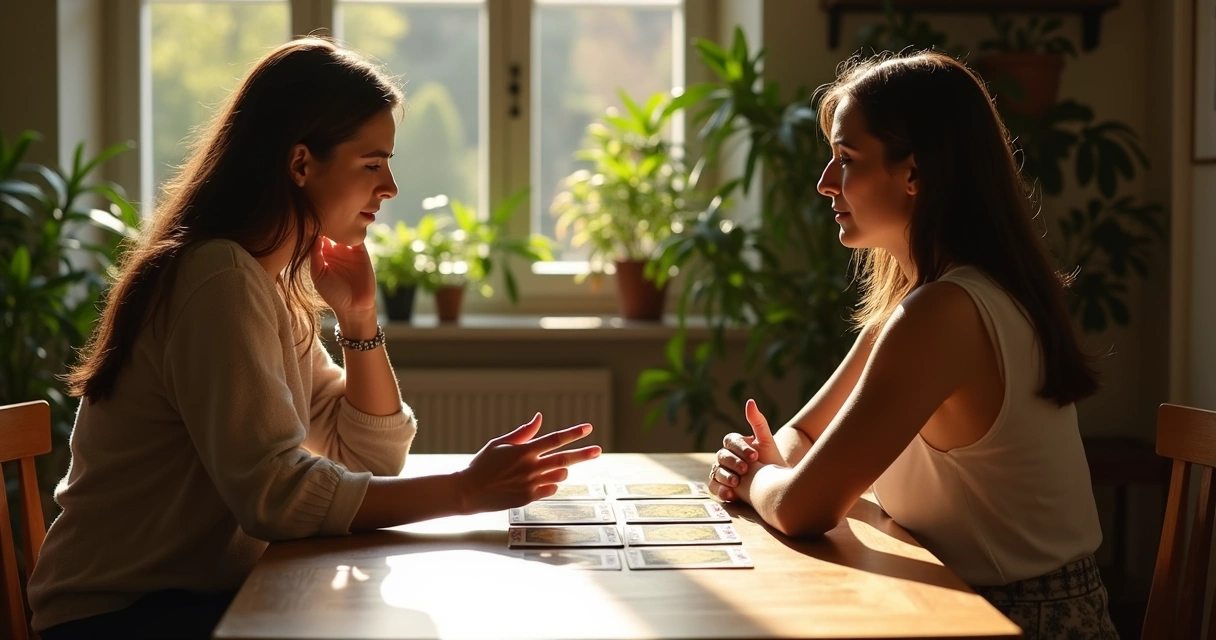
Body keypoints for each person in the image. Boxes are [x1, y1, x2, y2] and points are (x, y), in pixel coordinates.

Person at [27, 38, 600, 640]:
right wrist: (464, 491)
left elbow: (370, 457)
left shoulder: (264, 282)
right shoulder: (218, 277)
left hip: (196, 600)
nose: (391, 188)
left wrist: (359, 319)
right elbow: (274, 494)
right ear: (301, 164)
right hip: (120, 618)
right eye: (372, 164)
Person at [708, 51, 1117, 637]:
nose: (824, 183)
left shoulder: (943, 314)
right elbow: (801, 436)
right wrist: (774, 467)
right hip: (953, 605)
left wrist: (756, 480)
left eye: (846, 159)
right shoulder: (923, 306)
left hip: (1015, 621)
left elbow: (802, 509)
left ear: (915, 174)